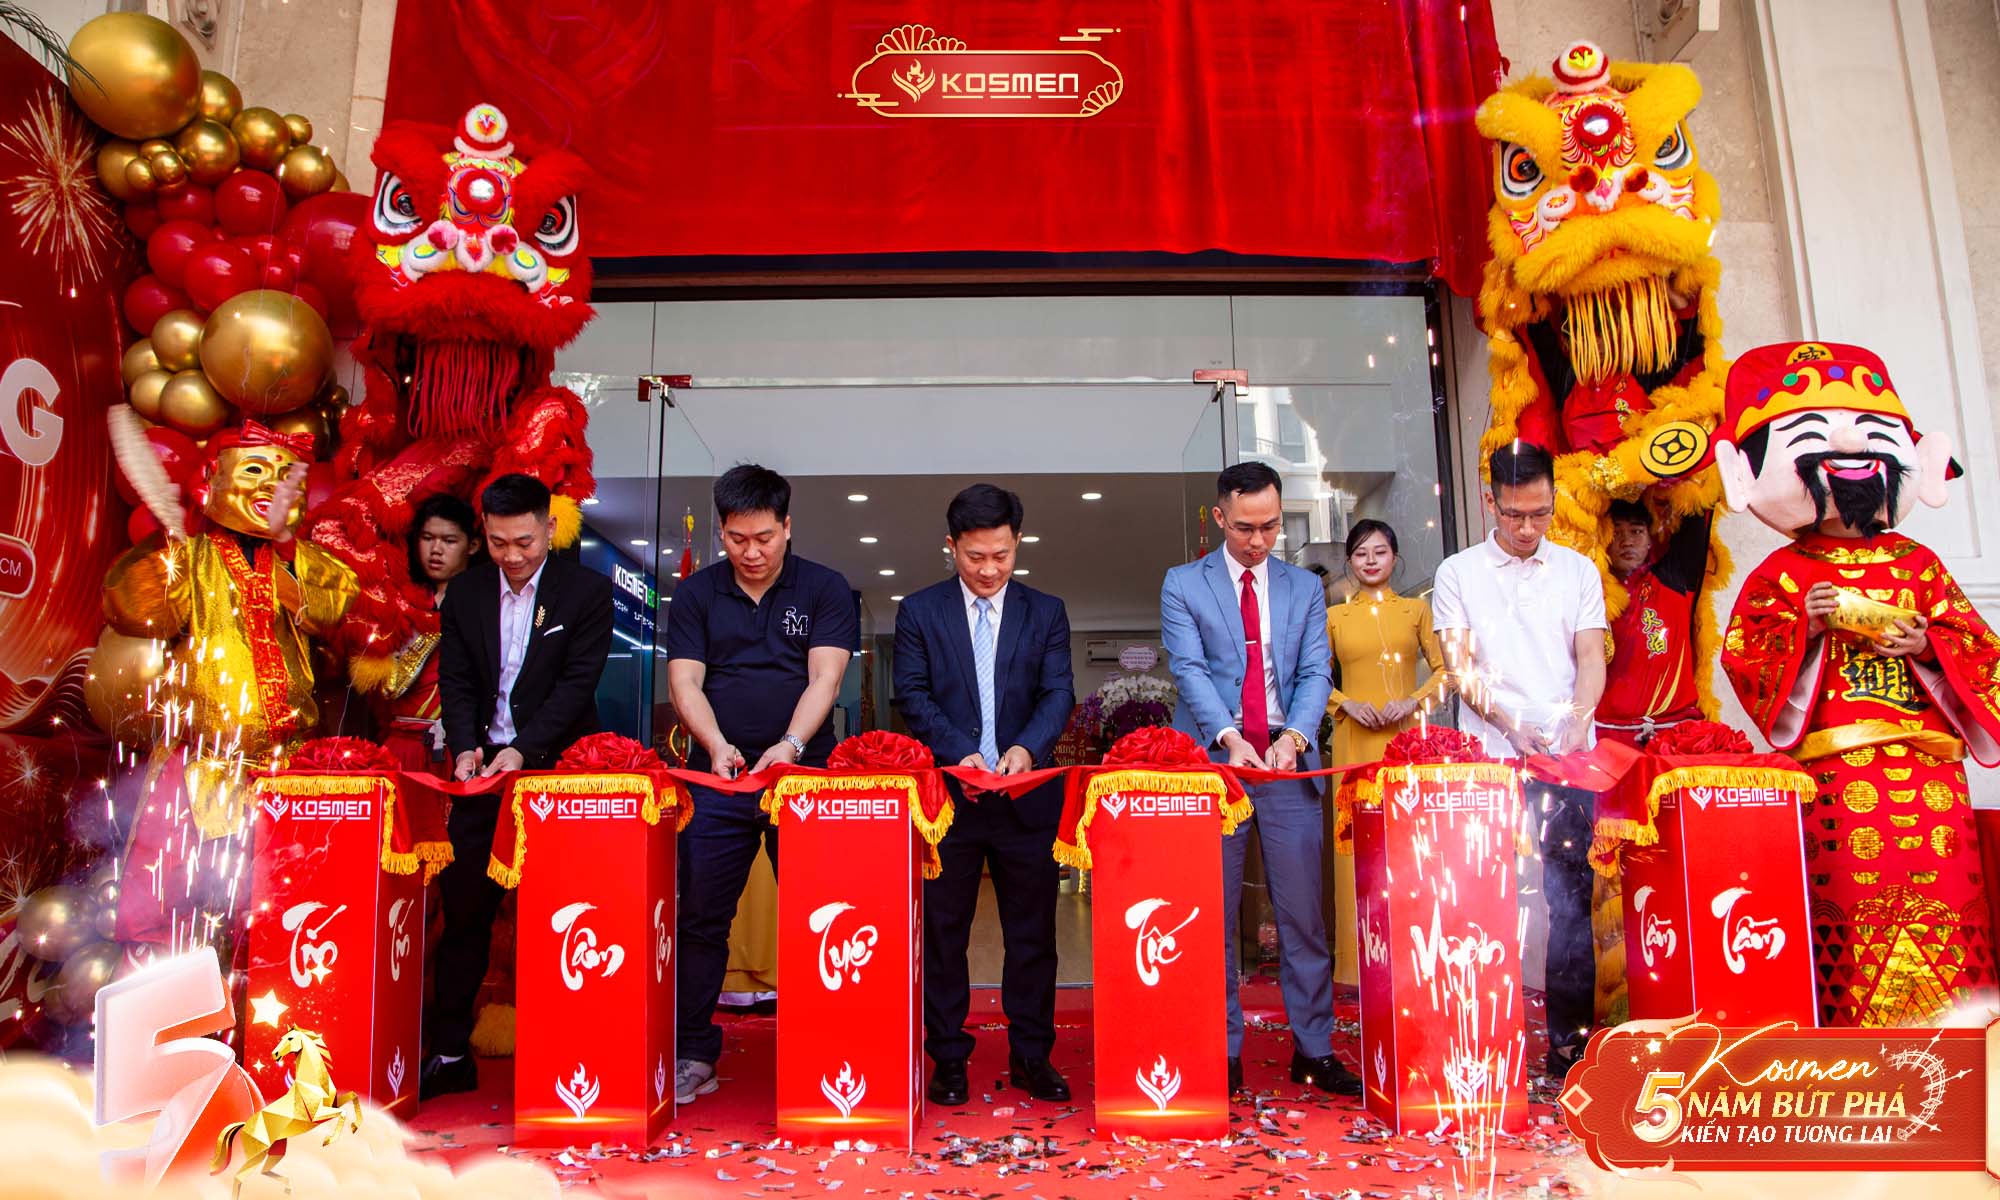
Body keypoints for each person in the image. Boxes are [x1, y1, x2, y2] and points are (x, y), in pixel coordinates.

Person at [1716, 341, 1998, 1026]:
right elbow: (1744, 657)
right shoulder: (1783, 574)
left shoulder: (1920, 563)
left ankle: (1969, 1058)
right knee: (1848, 915)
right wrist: (1805, 631)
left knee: (1949, 914)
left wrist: (1929, 646)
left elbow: (1981, 651)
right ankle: (1859, 1056)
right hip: (1838, 783)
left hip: (1931, 782)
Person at [1160, 462, 1358, 1097]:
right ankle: (1223, 1051)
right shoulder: (1184, 584)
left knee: (1302, 915)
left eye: (1271, 526)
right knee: (1211, 918)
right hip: (1218, 763)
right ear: (1220, 518)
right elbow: (1189, 669)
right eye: (1246, 527)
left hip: (1285, 763)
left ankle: (1314, 1047)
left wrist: (1294, 738)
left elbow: (1315, 672)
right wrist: (1230, 737)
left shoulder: (1303, 588)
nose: (1259, 539)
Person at [665, 464, 859, 1104]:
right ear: (721, 530)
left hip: (802, 782)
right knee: (701, 919)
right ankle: (693, 1051)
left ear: (787, 527)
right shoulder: (695, 596)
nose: (751, 552)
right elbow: (686, 683)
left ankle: (824, 1044)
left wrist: (790, 749)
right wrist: (719, 747)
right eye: (737, 539)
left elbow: (824, 681)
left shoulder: (826, 589)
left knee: (820, 917)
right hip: (720, 783)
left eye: (765, 538)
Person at [421, 473, 614, 1099]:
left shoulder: (584, 594)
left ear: (549, 530)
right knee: (466, 912)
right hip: (481, 777)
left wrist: (522, 751)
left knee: (564, 916)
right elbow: (458, 682)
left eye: (524, 542)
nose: (512, 555)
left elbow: (574, 689)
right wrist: (467, 745)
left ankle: (573, 1051)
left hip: (555, 776)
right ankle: (449, 1052)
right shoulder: (468, 594)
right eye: (500, 542)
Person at [894, 484, 1077, 1107]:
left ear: (1016, 543)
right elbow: (913, 694)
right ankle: (947, 1057)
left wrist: (1026, 749)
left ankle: (1032, 1055)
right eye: (975, 556)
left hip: (1026, 799)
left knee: (1034, 935)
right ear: (952, 548)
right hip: (953, 800)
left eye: (1002, 554)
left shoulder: (1045, 611)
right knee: (945, 931)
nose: (990, 569)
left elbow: (1058, 694)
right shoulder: (920, 612)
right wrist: (957, 751)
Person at [1430, 441, 1607, 1077]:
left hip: (1565, 763)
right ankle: (1486, 1043)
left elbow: (1590, 657)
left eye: (1541, 514)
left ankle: (1569, 1046)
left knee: (1567, 900)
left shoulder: (1578, 570)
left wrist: (1576, 724)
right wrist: (1512, 725)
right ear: (1489, 504)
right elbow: (1459, 669)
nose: (1528, 529)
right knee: (1486, 900)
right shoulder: (1457, 574)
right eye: (1514, 515)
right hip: (1489, 759)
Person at [1322, 519, 1449, 982]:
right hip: (1354, 739)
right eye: (1360, 553)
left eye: (1379, 552)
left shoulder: (1417, 612)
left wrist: (1411, 701)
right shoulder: (1334, 618)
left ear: (1395, 557)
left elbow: (1444, 673)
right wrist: (1346, 703)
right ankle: (1355, 968)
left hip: (1405, 742)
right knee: (1354, 847)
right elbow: (1314, 679)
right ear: (1350, 563)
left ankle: (1413, 956)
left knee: (1405, 847)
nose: (1371, 561)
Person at [372, 493, 481, 773]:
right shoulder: (394, 601)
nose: (436, 550)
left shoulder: (487, 604)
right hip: (400, 746)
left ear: (473, 545)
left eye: (449, 541)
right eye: (427, 538)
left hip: (463, 749)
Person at [1596, 499, 1705, 747]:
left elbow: (1696, 505)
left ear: (1650, 540)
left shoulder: (1674, 579)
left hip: (1675, 738)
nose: (1627, 541)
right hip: (1607, 741)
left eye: (1636, 532)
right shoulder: (1589, 591)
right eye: (1616, 532)